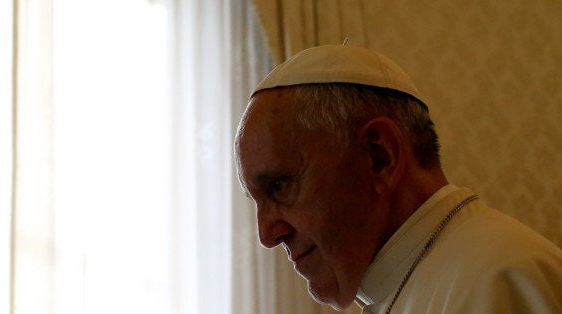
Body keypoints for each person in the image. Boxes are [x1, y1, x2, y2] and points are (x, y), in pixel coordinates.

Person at [234, 44, 562, 313]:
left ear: (381, 156)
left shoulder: (500, 280)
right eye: (257, 201)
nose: (267, 234)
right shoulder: (397, 288)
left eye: (279, 186)